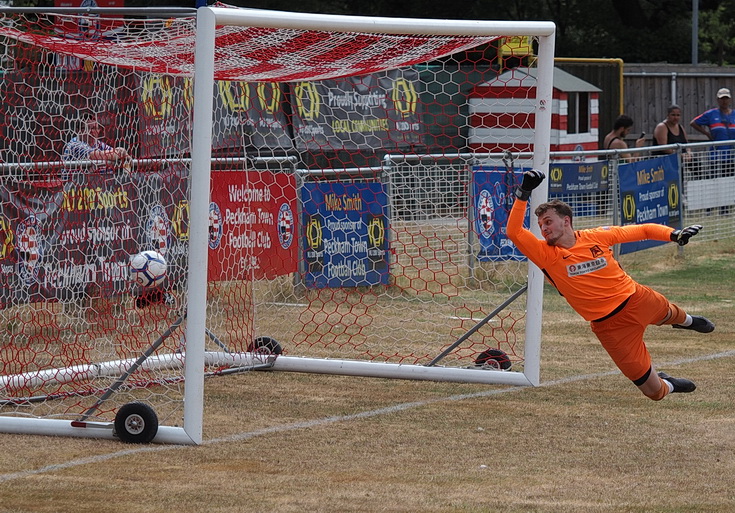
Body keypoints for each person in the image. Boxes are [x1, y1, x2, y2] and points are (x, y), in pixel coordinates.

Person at [507, 169, 715, 401]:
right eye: (540, 225)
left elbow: (643, 230)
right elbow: (514, 231)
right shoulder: (545, 254)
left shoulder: (596, 236)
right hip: (610, 327)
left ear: (566, 221)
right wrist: (523, 193)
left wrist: (674, 234)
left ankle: (688, 321)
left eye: (548, 222)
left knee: (669, 313)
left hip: (637, 298)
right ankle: (670, 383)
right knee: (653, 392)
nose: (543, 228)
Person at [62, 116, 131, 173]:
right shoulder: (75, 144)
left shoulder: (99, 144)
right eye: (86, 128)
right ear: (78, 130)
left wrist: (120, 152)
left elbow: (111, 153)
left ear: (99, 130)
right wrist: (120, 152)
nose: (91, 131)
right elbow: (96, 155)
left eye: (94, 128)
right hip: (74, 187)